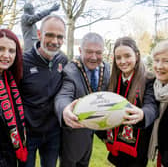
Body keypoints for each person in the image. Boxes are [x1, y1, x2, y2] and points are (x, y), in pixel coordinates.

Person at [96, 36, 158, 167]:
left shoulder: (148, 80)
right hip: (115, 146)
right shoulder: (112, 81)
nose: (123, 61)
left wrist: (142, 114)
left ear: (136, 55)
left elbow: (151, 106)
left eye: (127, 56)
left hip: (137, 149)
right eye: (118, 57)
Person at [55, 32, 110, 167]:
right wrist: (65, 110)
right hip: (74, 135)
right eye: (89, 52)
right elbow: (63, 95)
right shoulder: (70, 71)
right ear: (80, 50)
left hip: (92, 134)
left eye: (98, 52)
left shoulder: (107, 68)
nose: (94, 57)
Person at [20, 15, 68, 167]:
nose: (55, 41)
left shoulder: (63, 60)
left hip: (53, 133)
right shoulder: (22, 62)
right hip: (28, 134)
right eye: (50, 35)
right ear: (39, 34)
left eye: (60, 37)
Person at [0, 29, 27, 167]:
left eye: (11, 51)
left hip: (10, 154)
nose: (6, 55)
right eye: (1, 49)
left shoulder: (10, 79)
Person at [148, 40, 168, 167]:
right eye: (156, 60)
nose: (159, 66)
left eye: (166, 61)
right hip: (161, 154)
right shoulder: (154, 86)